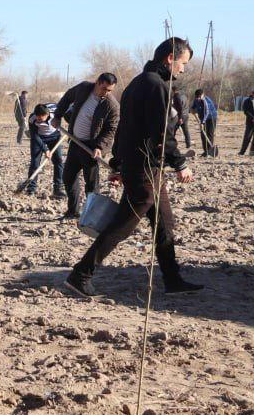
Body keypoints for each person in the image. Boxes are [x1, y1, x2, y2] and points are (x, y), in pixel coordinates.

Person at [66, 37, 203, 298]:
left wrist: (118, 163)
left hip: (147, 167)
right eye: (183, 63)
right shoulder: (155, 85)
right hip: (145, 169)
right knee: (123, 224)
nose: (184, 70)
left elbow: (125, 131)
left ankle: (173, 279)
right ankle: (80, 275)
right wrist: (180, 163)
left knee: (164, 222)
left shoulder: (138, 84)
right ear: (170, 59)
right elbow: (160, 133)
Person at [53, 72, 119, 218]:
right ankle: (73, 211)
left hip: (91, 148)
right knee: (68, 177)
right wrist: (58, 115)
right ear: (97, 82)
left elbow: (110, 130)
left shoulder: (112, 105)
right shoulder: (83, 88)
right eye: (104, 89)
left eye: (109, 91)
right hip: (75, 142)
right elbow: (67, 98)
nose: (105, 93)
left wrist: (100, 147)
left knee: (91, 184)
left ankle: (90, 216)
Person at [25, 105, 65, 198]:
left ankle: (57, 189)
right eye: (37, 116)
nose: (38, 118)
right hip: (39, 137)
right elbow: (34, 136)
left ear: (47, 114)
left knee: (58, 161)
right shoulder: (32, 118)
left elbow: (69, 110)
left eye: (41, 116)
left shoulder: (55, 113)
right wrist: (46, 150)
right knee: (35, 162)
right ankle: (31, 189)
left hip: (54, 137)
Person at [191, 88, 217, 157]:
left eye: (199, 97)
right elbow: (193, 107)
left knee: (209, 134)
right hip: (202, 118)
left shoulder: (206, 101)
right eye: (197, 97)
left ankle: (210, 151)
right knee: (203, 134)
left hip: (211, 118)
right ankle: (205, 151)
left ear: (202, 95)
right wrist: (192, 110)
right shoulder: (196, 100)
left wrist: (202, 123)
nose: (198, 99)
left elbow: (207, 112)